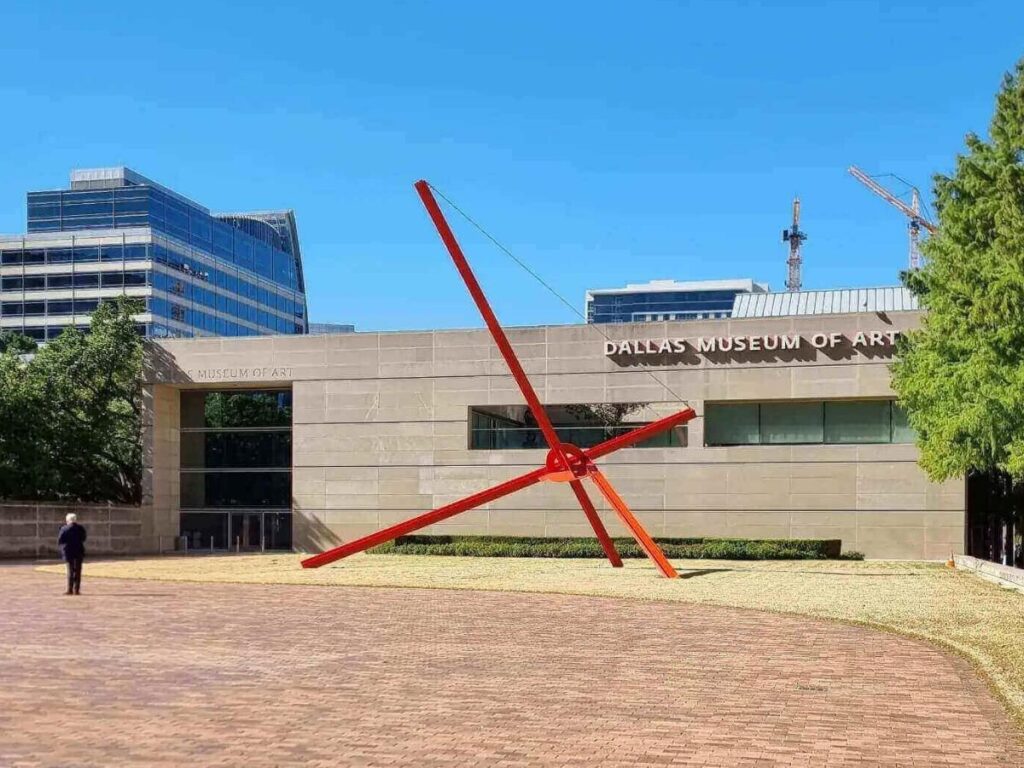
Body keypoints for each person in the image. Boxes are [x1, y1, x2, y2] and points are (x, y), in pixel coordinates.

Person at [57, 513, 87, 596]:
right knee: (78, 570)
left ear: (68, 520)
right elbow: (84, 538)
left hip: (68, 551)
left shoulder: (64, 528)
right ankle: (76, 590)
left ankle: (70, 589)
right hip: (79, 551)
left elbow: (60, 540)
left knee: (70, 570)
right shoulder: (81, 528)